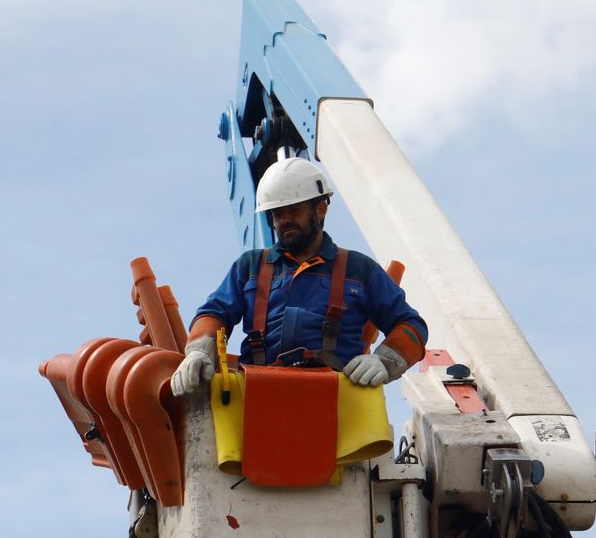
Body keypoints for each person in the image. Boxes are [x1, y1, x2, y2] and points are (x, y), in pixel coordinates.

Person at [170, 153, 428, 396]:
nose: (284, 220)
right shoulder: (250, 267)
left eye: (293, 210)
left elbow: (411, 326)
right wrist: (199, 351)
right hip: (259, 396)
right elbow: (214, 313)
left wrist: (384, 360)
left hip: (341, 400)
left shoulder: (359, 270)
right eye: (277, 213)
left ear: (321, 209)